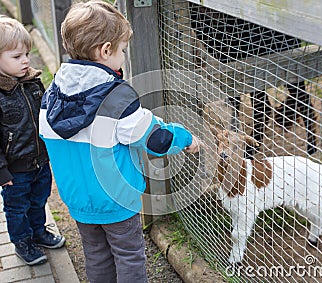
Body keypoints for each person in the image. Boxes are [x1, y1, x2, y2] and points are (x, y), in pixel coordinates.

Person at [39, 1, 202, 282]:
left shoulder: (52, 94)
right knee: (128, 255)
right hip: (116, 198)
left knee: (96, 254)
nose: (124, 56)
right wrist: (186, 139)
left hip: (77, 199)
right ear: (105, 50)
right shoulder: (116, 99)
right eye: (123, 50)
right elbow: (156, 139)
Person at [0, 15, 65, 266]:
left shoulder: (32, 83)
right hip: (14, 169)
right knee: (16, 207)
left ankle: (38, 231)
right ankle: (22, 241)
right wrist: (0, 173)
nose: (25, 61)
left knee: (39, 199)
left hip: (40, 161)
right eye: (16, 57)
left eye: (26, 54)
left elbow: (45, 116)